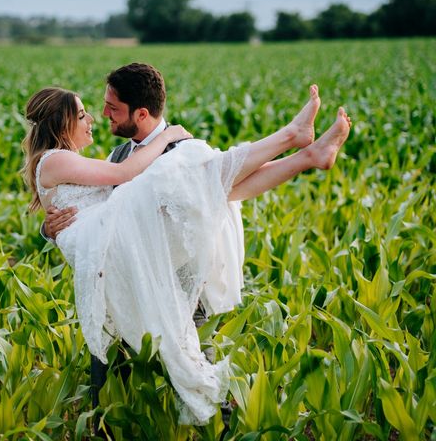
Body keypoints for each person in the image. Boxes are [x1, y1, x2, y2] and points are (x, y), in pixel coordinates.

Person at [22, 67, 351, 424]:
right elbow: (91, 204)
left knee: (194, 360)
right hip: (121, 274)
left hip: (179, 276)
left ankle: (304, 150)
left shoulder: (183, 149)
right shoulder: (120, 156)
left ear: (141, 114)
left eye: (112, 108)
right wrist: (50, 228)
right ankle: (109, 427)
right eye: (94, 109)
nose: (102, 116)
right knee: (112, 376)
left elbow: (224, 189)